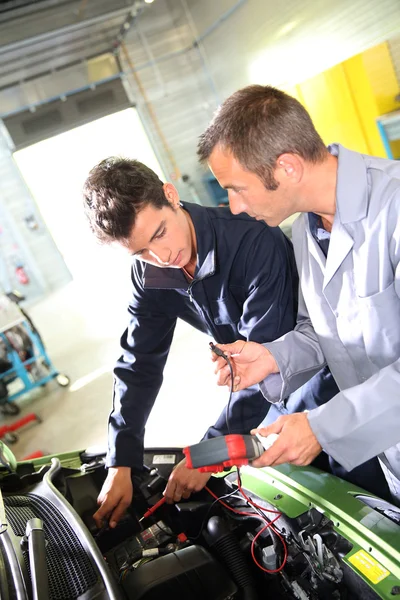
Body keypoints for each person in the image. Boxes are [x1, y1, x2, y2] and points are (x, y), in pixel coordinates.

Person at [198, 84, 400, 504]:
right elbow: (320, 330)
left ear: (287, 167)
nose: (233, 207)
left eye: (237, 188)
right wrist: (272, 356)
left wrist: (322, 427)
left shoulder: (394, 209)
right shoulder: (305, 230)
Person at [82, 157, 299, 528]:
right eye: (141, 252)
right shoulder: (149, 274)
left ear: (171, 194)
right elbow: (138, 364)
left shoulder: (253, 241)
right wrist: (122, 459)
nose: (161, 257)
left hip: (310, 381)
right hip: (259, 404)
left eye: (160, 233)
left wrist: (211, 451)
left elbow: (268, 359)